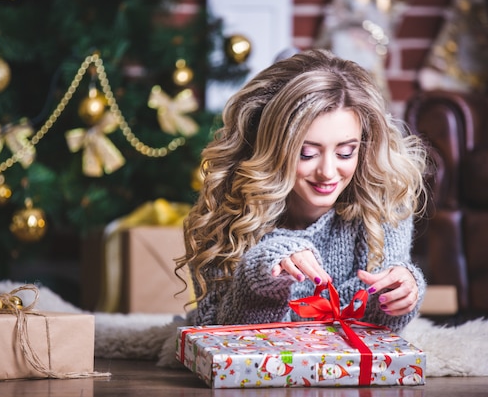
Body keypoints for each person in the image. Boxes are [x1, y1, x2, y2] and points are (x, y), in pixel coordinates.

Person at [176, 49, 428, 333]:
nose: (328, 172)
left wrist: (402, 293)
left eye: (346, 152)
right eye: (307, 154)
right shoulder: (227, 211)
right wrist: (264, 275)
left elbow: (378, 333)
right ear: (271, 149)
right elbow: (217, 333)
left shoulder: (381, 201)